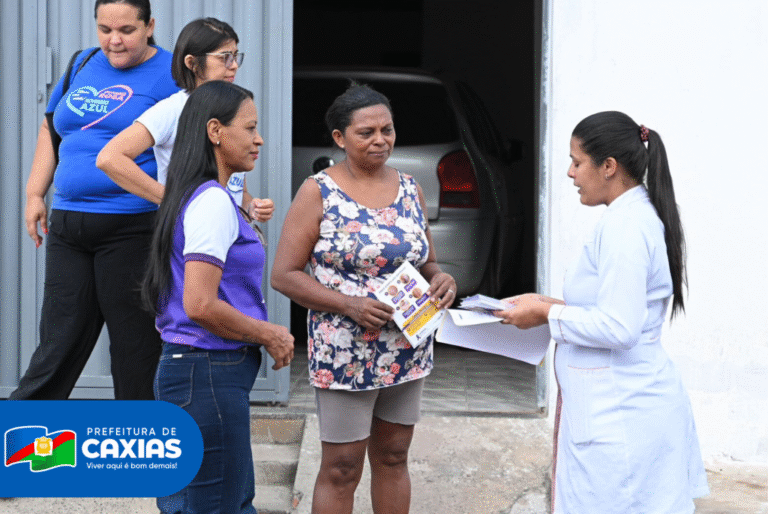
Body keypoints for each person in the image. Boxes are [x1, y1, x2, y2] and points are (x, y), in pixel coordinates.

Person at [494, 111, 709, 513]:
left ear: (608, 166)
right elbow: (612, 310)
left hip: (623, 413)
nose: (570, 173)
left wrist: (546, 316)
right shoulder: (628, 217)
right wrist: (545, 305)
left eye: (577, 162)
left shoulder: (625, 227)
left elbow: (619, 327)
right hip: (617, 407)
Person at [271, 83, 457, 514]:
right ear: (339, 138)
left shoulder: (410, 187)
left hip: (406, 346)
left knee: (394, 456)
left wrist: (440, 277)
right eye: (366, 133)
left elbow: (426, 261)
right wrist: (347, 304)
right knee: (341, 466)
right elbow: (284, 274)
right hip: (344, 349)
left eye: (387, 130)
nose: (380, 141)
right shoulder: (318, 190)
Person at [12, 0, 178, 401]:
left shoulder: (173, 73)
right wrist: (35, 192)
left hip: (134, 228)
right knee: (58, 341)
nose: (114, 40)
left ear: (150, 25)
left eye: (127, 30)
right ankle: (20, 441)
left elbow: (201, 142)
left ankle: (138, 450)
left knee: (134, 348)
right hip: (69, 224)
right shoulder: (82, 63)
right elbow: (50, 129)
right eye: (105, 29)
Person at [143, 80, 294, 514]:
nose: (259, 138)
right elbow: (200, 304)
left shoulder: (198, 195)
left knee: (192, 504)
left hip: (195, 370)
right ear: (215, 131)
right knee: (221, 506)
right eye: (249, 128)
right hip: (206, 369)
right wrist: (269, 333)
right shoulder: (210, 201)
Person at [96, 17, 274, 221]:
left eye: (235, 56)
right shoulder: (172, 109)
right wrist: (174, 200)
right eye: (224, 57)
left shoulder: (233, 107)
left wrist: (251, 206)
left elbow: (237, 188)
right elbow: (109, 158)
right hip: (190, 237)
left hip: (225, 234)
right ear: (192, 63)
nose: (233, 65)